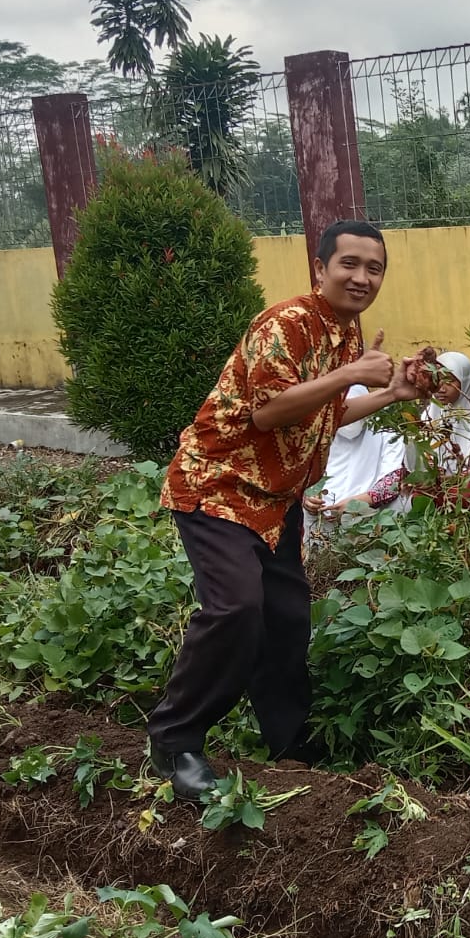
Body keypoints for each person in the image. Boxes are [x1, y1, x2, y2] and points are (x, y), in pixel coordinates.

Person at [149, 219, 419, 798]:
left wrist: (390, 394)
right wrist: (350, 375)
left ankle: (288, 742)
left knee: (288, 620)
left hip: (277, 499)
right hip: (220, 487)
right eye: (349, 264)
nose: (362, 277)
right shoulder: (287, 325)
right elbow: (270, 412)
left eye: (374, 268)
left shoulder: (344, 332)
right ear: (319, 269)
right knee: (236, 609)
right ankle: (175, 741)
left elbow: (320, 414)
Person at [367, 351, 470, 520]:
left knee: (453, 498)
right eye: (437, 380)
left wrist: (436, 483)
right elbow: (415, 466)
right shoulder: (430, 416)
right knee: (398, 488)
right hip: (433, 487)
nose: (441, 388)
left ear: (466, 382)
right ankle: (358, 501)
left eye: (450, 380)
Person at [301, 383, 409, 536]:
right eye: (343, 410)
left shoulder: (386, 428)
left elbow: (394, 479)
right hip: (321, 520)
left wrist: (359, 503)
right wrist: (308, 498)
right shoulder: (319, 429)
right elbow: (300, 472)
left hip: (370, 514)